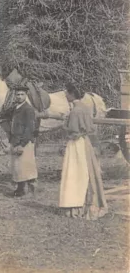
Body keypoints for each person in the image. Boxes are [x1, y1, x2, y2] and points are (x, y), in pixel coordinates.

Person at [56, 83, 107, 219]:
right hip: (85, 143)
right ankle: (85, 203)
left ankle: (75, 206)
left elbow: (73, 131)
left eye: (67, 93)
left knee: (75, 173)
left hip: (76, 144)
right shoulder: (84, 108)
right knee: (86, 172)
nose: (66, 95)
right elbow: (88, 127)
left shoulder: (75, 111)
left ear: (72, 94)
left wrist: (64, 123)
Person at [0, 85, 38, 197]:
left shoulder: (28, 109)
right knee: (18, 166)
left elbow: (29, 128)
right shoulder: (16, 108)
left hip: (24, 141)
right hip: (15, 140)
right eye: (18, 94)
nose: (20, 97)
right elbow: (5, 116)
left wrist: (22, 144)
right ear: (14, 96)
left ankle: (28, 190)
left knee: (25, 165)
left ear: (26, 96)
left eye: (22, 94)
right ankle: (21, 189)